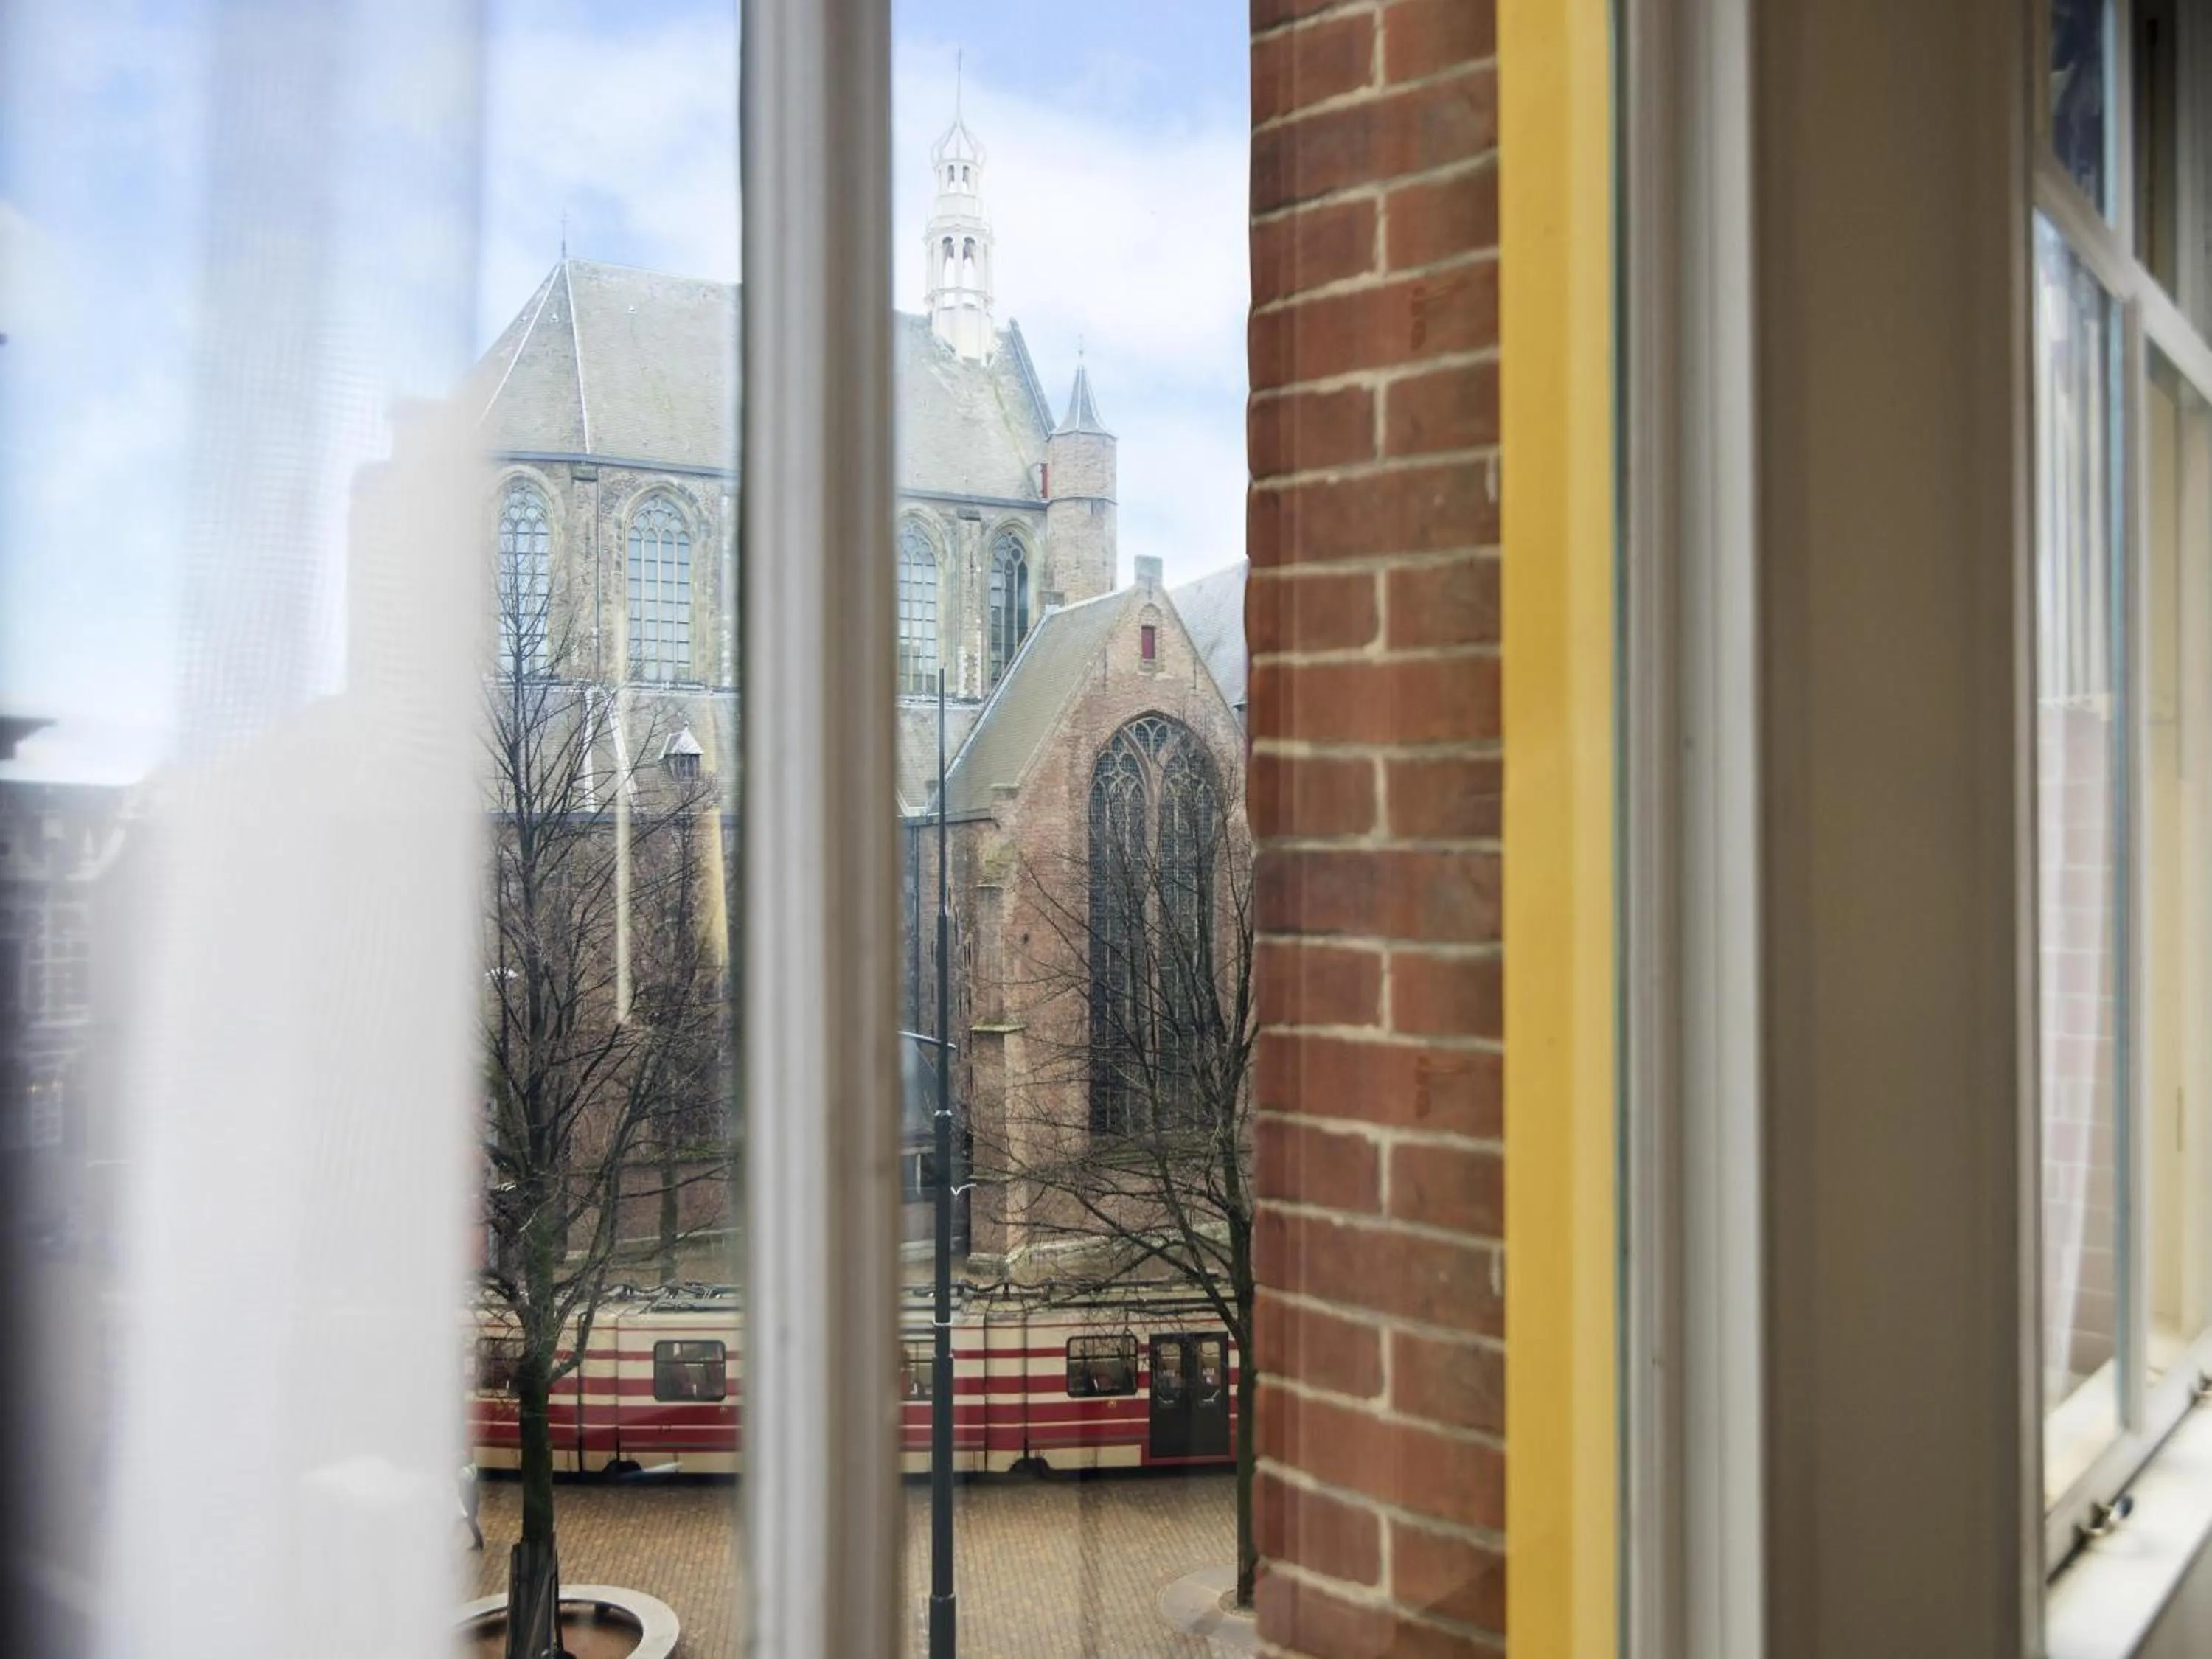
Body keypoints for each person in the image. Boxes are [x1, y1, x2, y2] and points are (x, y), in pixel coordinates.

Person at [458, 1461, 482, 1551]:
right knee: (471, 1520)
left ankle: (479, 1541)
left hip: (470, 1499)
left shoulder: (463, 1473)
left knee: (471, 1520)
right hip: (475, 1497)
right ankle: (479, 1541)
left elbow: (463, 1488)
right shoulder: (472, 1467)